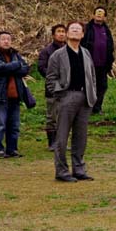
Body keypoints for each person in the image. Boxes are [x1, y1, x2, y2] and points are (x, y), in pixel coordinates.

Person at [46, 22, 97, 182]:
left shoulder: (86, 53)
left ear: (82, 34)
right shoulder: (58, 55)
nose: (75, 30)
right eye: (72, 29)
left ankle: (79, 169)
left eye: (78, 29)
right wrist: (60, 94)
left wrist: (92, 93)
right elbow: (50, 78)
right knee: (61, 137)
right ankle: (61, 171)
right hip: (66, 96)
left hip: (85, 97)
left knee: (81, 137)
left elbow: (92, 75)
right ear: (67, 34)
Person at [0, 31, 30, 158]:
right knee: (1, 124)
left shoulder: (15, 54)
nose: (6, 41)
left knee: (14, 125)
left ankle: (12, 149)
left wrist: (12, 67)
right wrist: (16, 65)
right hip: (0, 95)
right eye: (3, 39)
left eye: (9, 39)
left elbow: (26, 69)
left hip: (15, 95)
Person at [80, 6, 115, 114]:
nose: (99, 14)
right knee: (89, 86)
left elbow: (111, 47)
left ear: (105, 17)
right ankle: (87, 107)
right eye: (97, 13)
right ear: (93, 15)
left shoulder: (107, 30)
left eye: (102, 13)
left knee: (102, 86)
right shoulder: (87, 28)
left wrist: (110, 63)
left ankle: (97, 107)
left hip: (103, 65)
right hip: (89, 64)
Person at [38, 24, 66, 150]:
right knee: (52, 116)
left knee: (64, 116)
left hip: (67, 88)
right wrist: (54, 78)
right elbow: (41, 67)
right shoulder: (47, 51)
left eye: (63, 31)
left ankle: (61, 142)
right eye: (58, 31)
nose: (61, 34)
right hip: (52, 88)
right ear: (53, 35)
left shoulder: (69, 49)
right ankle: (52, 142)